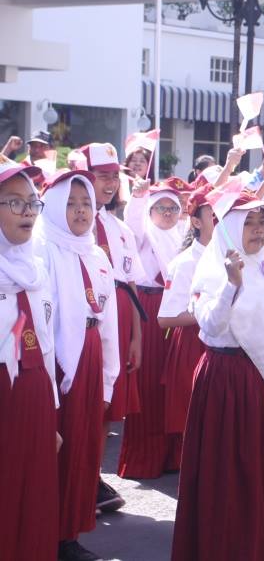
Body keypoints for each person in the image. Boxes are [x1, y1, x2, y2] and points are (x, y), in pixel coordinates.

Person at [171, 194, 264, 561]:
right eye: (249, 223)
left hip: (254, 384)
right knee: (221, 476)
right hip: (223, 381)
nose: (259, 231)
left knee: (251, 475)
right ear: (229, 229)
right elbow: (210, 326)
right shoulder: (211, 270)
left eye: (262, 222)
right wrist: (232, 284)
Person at [37, 171, 120, 561]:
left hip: (89, 354)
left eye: (85, 203)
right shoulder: (43, 249)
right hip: (55, 361)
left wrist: (108, 377)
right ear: (53, 207)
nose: (80, 211)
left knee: (83, 449)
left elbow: (109, 317)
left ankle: (68, 533)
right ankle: (45, 535)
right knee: (55, 450)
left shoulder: (95, 252)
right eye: (70, 203)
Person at [0, 161, 59, 561]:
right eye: (14, 203)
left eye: (32, 203)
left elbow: (48, 342)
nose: (27, 213)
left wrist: (51, 416)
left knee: (33, 493)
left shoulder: (36, 269)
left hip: (34, 394)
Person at [77, 143, 140, 513]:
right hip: (86, 322)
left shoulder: (119, 228)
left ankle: (93, 475)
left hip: (117, 319)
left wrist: (136, 338)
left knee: (107, 408)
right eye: (102, 175)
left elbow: (130, 283)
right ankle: (78, 476)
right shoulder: (69, 226)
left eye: (114, 176)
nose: (110, 183)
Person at [116, 178, 184, 479]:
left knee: (172, 384)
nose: (166, 214)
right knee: (148, 384)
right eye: (160, 208)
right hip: (149, 310)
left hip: (176, 313)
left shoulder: (183, 239)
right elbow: (133, 221)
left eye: (172, 208)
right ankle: (144, 458)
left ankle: (173, 455)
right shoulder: (144, 237)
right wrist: (139, 196)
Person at [156, 186, 214, 452]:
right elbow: (166, 317)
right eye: (214, 216)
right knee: (196, 426)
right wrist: (211, 311)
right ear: (196, 221)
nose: (221, 223)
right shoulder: (185, 262)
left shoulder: (231, 257)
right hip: (195, 345)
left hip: (225, 343)